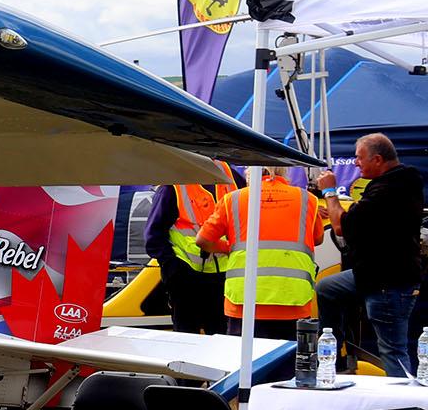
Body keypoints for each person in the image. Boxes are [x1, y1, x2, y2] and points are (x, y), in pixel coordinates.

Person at [313, 133, 424, 377]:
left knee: (393, 351)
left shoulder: (388, 189)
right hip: (372, 275)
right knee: (327, 288)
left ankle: (406, 405)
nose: (355, 163)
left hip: (388, 282)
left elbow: (342, 226)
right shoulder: (399, 184)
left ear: (377, 159)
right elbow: (365, 220)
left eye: (359, 158)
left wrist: (330, 192)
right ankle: (337, 353)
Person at [198, 167, 326, 342]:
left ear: (250, 174)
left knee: (244, 365)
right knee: (289, 365)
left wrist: (230, 248)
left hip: (244, 302)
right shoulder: (307, 199)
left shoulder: (233, 199)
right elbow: (317, 238)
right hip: (292, 300)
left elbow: (203, 240)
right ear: (283, 173)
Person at [143, 162, 237, 335]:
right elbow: (153, 237)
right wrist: (173, 266)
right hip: (186, 275)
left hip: (224, 275)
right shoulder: (173, 185)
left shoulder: (230, 175)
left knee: (222, 341)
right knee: (187, 338)